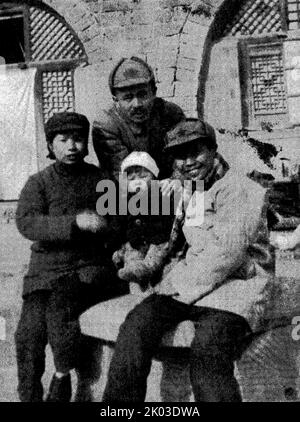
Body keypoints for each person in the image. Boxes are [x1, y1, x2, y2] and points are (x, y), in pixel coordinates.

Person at [102, 118, 275, 402]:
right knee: (135, 328)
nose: (188, 161)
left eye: (196, 151)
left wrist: (174, 288)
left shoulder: (240, 190)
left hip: (236, 285)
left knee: (208, 352)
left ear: (214, 150)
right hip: (193, 282)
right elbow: (148, 197)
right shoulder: (191, 188)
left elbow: (226, 254)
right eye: (180, 155)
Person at [15, 112, 127, 402]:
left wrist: (104, 227)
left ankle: (61, 378)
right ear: (51, 146)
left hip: (88, 271)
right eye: (63, 140)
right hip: (46, 273)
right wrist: (74, 223)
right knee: (28, 334)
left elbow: (118, 227)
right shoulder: (38, 182)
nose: (72, 146)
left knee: (62, 314)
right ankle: (28, 396)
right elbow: (27, 223)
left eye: (78, 139)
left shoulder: (102, 180)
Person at [92, 56, 185, 180]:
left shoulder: (171, 113)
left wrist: (176, 180)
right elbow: (124, 175)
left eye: (143, 95)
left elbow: (186, 154)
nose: (137, 104)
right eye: (128, 98)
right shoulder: (106, 124)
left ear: (154, 92)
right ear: (116, 100)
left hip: (171, 184)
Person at [112, 151, 177, 294]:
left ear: (154, 178)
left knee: (156, 257)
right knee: (131, 256)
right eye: (131, 177)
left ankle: (146, 270)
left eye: (143, 176)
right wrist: (121, 247)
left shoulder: (160, 195)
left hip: (157, 240)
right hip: (135, 243)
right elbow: (119, 224)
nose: (137, 181)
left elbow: (168, 220)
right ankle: (137, 288)